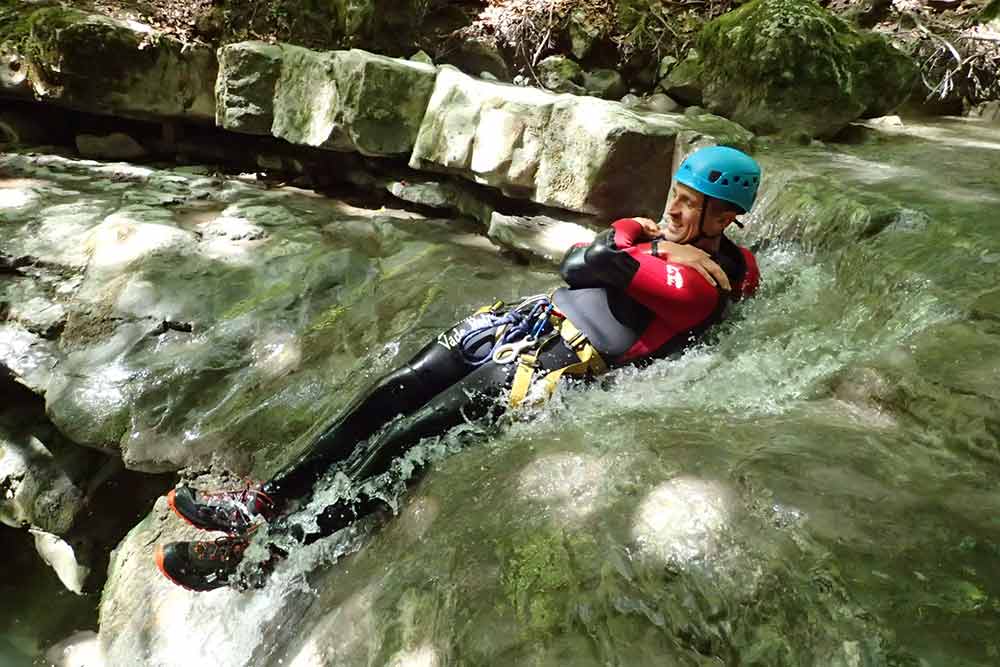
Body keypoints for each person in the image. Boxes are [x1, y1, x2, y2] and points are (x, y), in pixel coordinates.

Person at [154, 145, 763, 591]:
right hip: (518, 322)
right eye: (675, 198)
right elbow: (589, 255)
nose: (674, 211)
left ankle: (262, 555)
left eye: (691, 205)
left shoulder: (701, 285)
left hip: (546, 366)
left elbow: (589, 264)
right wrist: (643, 232)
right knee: (391, 392)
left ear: (723, 218)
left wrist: (640, 241)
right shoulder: (669, 243)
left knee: (399, 445)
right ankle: (264, 499)